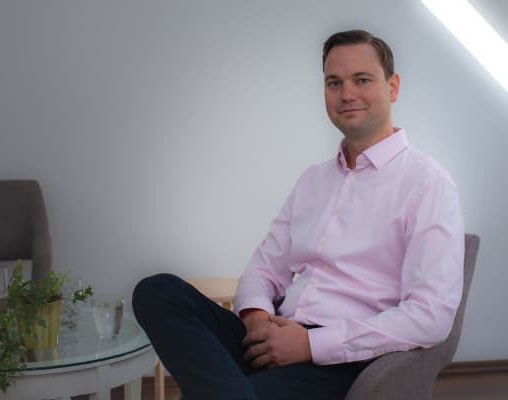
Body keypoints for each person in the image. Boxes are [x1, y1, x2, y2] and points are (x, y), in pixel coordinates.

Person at [132, 29, 464, 400]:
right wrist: (257, 319)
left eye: (362, 80)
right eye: (334, 82)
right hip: (274, 335)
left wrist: (311, 345)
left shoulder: (428, 183)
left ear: (393, 87)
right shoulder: (313, 181)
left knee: (228, 389)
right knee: (157, 291)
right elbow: (262, 270)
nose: (347, 94)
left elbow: (431, 316)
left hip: (339, 361)